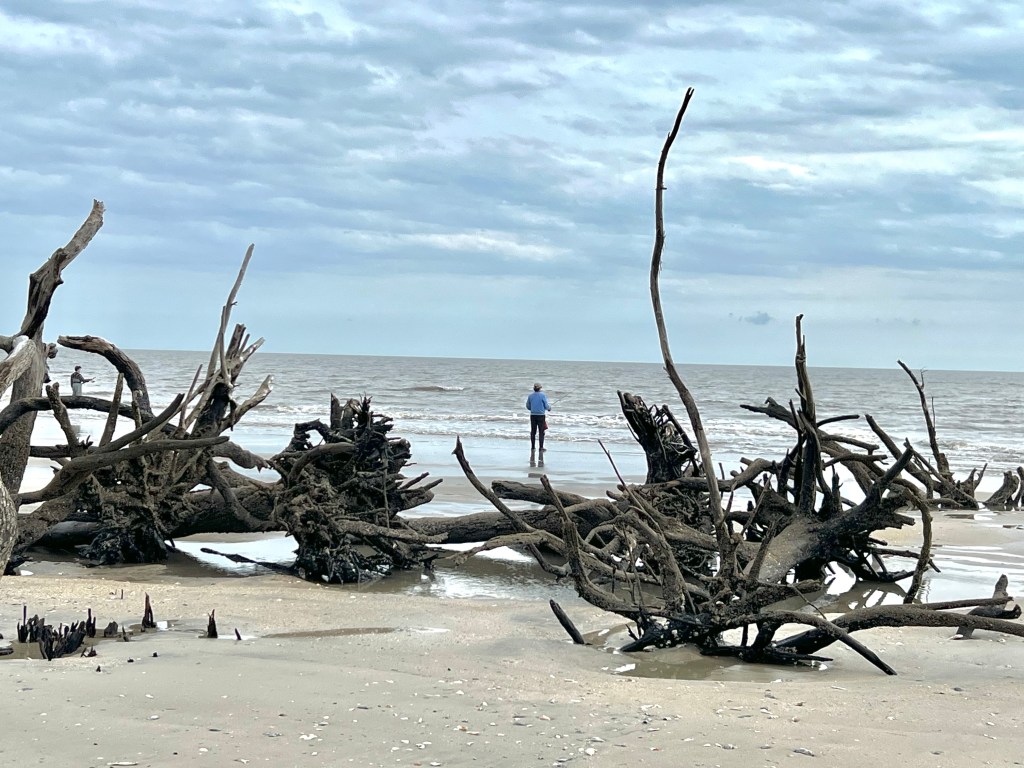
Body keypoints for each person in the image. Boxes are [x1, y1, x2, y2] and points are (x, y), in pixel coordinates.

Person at [525, 382, 551, 455]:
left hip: (533, 415)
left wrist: (533, 409)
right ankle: (541, 448)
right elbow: (546, 405)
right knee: (541, 432)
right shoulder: (542, 395)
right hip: (541, 416)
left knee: (533, 431)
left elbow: (528, 406)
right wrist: (549, 408)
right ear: (540, 388)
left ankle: (533, 447)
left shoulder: (530, 396)